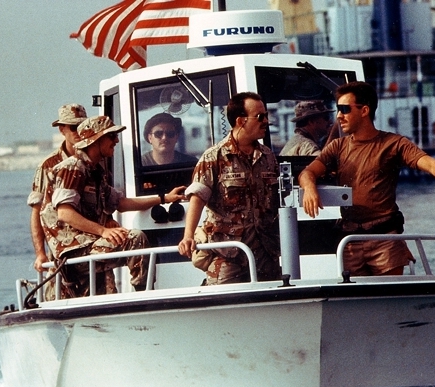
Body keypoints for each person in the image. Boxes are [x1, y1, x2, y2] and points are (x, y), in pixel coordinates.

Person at [298, 81, 435, 276]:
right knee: (352, 300)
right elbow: (307, 172)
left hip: (385, 240)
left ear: (364, 111)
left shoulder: (393, 144)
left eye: (345, 109)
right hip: (350, 241)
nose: (339, 116)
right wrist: (310, 188)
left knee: (389, 298)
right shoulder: (337, 147)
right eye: (338, 109)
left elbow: (428, 162)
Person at [41, 115, 186, 297]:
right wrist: (103, 231)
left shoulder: (96, 172)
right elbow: (64, 213)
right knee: (135, 239)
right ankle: (144, 296)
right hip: (73, 250)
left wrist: (164, 198)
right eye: (111, 137)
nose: (116, 141)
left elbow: (121, 203)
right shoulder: (73, 168)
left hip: (88, 246)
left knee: (106, 297)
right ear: (95, 140)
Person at [177, 92, 281, 285]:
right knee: (224, 306)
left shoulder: (268, 157)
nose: (266, 121)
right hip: (228, 252)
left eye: (266, 115)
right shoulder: (214, 157)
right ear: (241, 121)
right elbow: (197, 198)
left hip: (265, 251)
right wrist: (188, 236)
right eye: (260, 117)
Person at [27, 104, 87, 272]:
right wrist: (40, 253)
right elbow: (37, 211)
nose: (80, 131)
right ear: (62, 130)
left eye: (83, 126)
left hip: (91, 243)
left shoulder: (97, 160)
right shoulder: (48, 166)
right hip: (61, 248)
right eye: (74, 127)